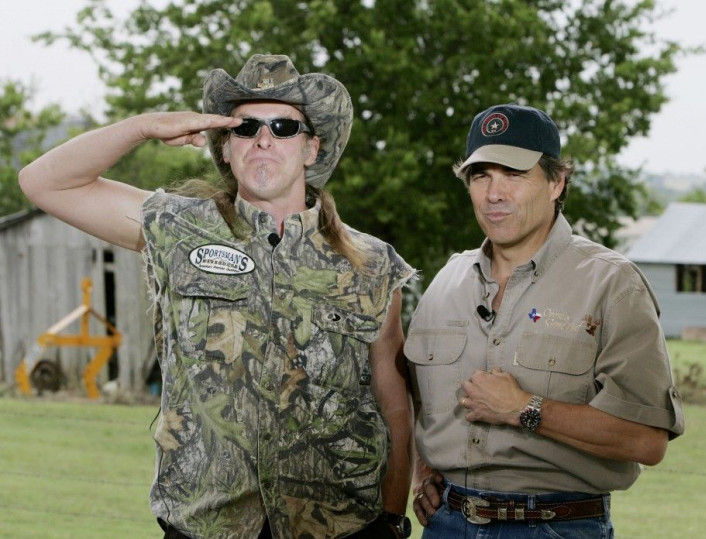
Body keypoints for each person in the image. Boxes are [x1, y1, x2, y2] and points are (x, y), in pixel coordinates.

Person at [19, 54, 416, 539]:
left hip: (338, 524)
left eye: (283, 127)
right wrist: (144, 127)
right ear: (226, 149)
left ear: (312, 149)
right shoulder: (176, 228)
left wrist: (392, 516)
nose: (264, 138)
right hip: (209, 524)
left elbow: (392, 396)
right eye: (245, 127)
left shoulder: (370, 263)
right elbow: (43, 182)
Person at [404, 103, 685, 537]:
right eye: (481, 176)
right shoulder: (446, 281)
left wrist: (525, 409)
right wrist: (422, 469)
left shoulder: (611, 283)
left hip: (555, 527)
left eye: (513, 175)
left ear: (556, 182)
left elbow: (646, 441)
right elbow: (411, 398)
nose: (493, 194)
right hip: (448, 524)